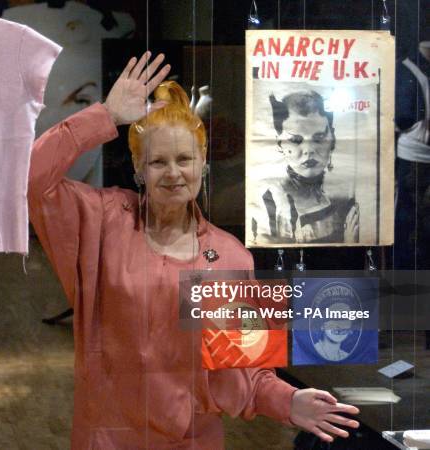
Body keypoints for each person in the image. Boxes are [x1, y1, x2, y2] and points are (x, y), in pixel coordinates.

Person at [29, 52, 360, 448]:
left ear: (202, 163)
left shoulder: (230, 256)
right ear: (138, 168)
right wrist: (105, 116)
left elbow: (245, 369)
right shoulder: (103, 221)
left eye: (184, 159)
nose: (173, 173)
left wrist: (289, 401)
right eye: (157, 162)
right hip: (107, 438)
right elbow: (30, 180)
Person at [250, 90, 360, 245]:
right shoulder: (271, 201)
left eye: (319, 138)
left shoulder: (345, 195)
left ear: (332, 138)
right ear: (280, 142)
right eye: (295, 140)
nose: (309, 149)